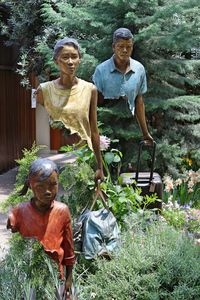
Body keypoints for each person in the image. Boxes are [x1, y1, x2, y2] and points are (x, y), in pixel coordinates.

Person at [35, 37, 104, 182]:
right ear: (56, 61)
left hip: (84, 159)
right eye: (65, 57)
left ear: (79, 59)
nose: (70, 62)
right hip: (52, 164)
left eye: (74, 56)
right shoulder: (44, 91)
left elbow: (94, 129)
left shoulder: (89, 90)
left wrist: (99, 166)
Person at [7, 158, 75, 296]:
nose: (48, 191)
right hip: (27, 276)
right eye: (40, 186)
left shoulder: (62, 211)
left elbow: (69, 248)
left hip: (55, 276)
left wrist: (69, 278)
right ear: (30, 185)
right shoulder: (19, 211)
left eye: (52, 185)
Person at [92, 27, 153, 145]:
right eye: (120, 46)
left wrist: (145, 133)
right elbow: (93, 104)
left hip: (131, 132)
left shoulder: (139, 69)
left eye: (128, 46)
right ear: (113, 47)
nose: (125, 50)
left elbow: (139, 101)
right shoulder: (101, 71)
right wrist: (93, 132)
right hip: (105, 132)